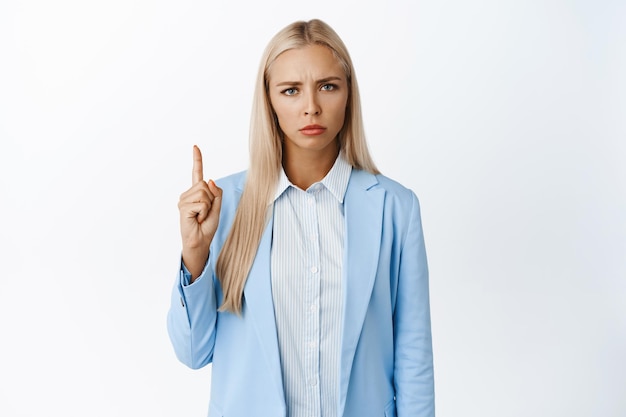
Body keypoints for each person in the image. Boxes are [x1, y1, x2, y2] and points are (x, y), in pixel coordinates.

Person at [167, 19, 434, 417]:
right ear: (270, 101)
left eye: (328, 86)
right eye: (291, 90)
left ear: (348, 95)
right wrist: (194, 254)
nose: (311, 106)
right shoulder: (223, 205)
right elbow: (193, 352)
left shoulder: (395, 208)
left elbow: (413, 354)